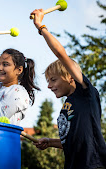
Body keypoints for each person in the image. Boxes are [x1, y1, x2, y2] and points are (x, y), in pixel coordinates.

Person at [31, 9, 106, 169]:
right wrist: (51, 142)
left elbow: (60, 54)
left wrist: (41, 26)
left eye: (53, 80)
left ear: (71, 76)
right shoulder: (68, 104)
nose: (49, 86)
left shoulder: (85, 93)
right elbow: (74, 140)